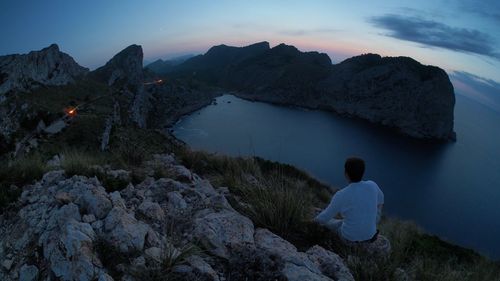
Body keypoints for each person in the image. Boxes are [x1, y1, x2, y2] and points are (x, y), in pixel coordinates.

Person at [314, 157, 384, 243]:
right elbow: (381, 200)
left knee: (330, 223)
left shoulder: (341, 194)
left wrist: (313, 221)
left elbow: (325, 217)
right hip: (370, 236)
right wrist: (376, 217)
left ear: (346, 174)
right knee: (341, 223)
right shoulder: (372, 185)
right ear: (362, 172)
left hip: (349, 238)